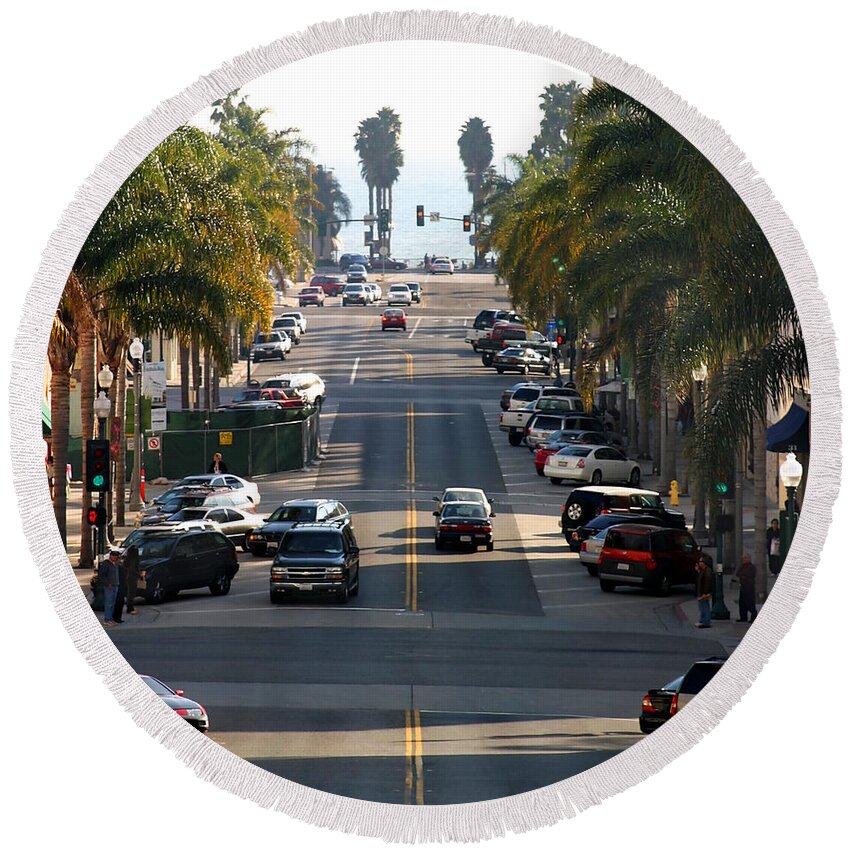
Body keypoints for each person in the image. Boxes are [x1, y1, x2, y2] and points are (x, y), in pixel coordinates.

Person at [734, 552, 758, 623]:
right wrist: (743, 576)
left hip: (749, 587)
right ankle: (743, 617)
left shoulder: (752, 567)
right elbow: (738, 573)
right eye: (743, 558)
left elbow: (749, 575)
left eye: (745, 558)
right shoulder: (742, 566)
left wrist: (743, 576)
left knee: (750, 603)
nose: (744, 559)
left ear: (749, 559)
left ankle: (753, 617)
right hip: (743, 586)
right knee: (742, 603)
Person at [101, 549, 121, 626]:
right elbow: (102, 575)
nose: (116, 558)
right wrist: (107, 583)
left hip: (115, 584)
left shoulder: (115, 564)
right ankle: (107, 619)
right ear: (111, 556)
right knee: (108, 603)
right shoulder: (106, 564)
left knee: (113, 603)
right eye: (115, 556)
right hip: (109, 585)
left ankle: (111, 618)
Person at [695, 553, 713, 628]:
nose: (699, 563)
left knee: (704, 607)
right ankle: (702, 621)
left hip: (704, 592)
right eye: (699, 562)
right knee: (702, 607)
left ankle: (706, 622)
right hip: (702, 592)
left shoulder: (707, 571)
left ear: (704, 563)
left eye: (701, 562)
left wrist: (705, 593)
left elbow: (707, 582)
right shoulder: (703, 570)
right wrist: (698, 571)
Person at [124, 544, 141, 615]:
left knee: (130, 593)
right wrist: (138, 574)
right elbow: (132, 569)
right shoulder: (133, 559)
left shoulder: (127, 558)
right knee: (131, 593)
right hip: (132, 577)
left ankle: (130, 607)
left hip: (128, 577)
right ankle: (130, 608)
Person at [111, 550, 128, 624]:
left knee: (119, 602)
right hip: (117, 585)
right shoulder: (114, 566)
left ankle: (117, 618)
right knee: (117, 602)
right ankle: (116, 618)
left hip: (120, 585)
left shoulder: (119, 566)